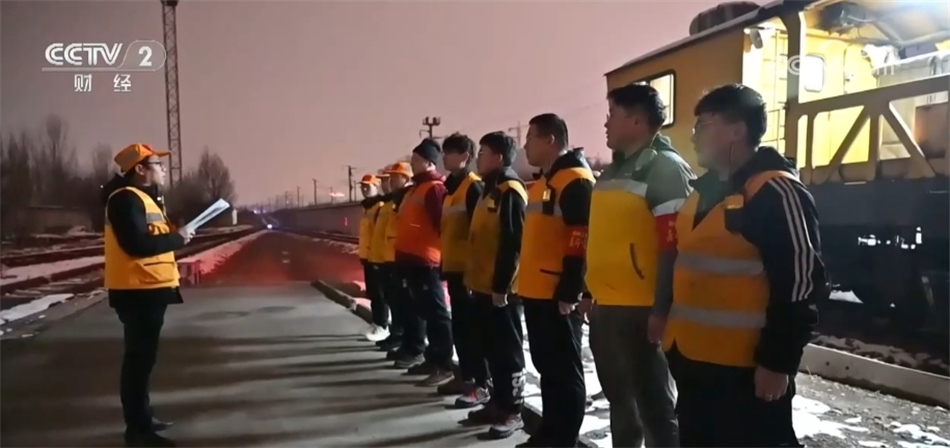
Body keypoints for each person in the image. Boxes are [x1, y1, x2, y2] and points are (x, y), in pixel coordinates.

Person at [663, 84, 824, 447]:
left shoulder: (776, 191)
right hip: (693, 361)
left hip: (744, 372)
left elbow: (800, 285)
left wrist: (778, 362)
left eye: (703, 125)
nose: (694, 135)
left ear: (737, 130)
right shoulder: (703, 192)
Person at [582, 83, 693, 447]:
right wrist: (588, 291)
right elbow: (599, 237)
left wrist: (662, 308)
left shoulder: (665, 168)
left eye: (612, 114)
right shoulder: (611, 172)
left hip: (643, 311)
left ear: (637, 120)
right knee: (621, 404)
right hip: (607, 309)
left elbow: (674, 247)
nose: (605, 123)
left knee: (655, 408)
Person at [102, 143, 194, 448]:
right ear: (139, 169)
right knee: (138, 362)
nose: (163, 169)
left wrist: (176, 235)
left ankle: (143, 418)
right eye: (157, 164)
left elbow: (149, 238)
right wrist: (177, 238)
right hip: (137, 290)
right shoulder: (125, 199)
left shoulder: (139, 197)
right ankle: (138, 431)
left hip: (147, 288)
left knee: (143, 360)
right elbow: (137, 245)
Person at [517, 114, 594, 448]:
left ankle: (563, 440)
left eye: (530, 138)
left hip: (557, 294)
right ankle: (549, 433)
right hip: (536, 290)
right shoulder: (546, 182)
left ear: (549, 140)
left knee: (564, 372)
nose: (525, 146)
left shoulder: (575, 180)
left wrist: (570, 289)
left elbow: (581, 236)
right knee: (548, 368)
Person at [464, 131, 529, 439]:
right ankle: (497, 403)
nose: (478, 158)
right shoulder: (488, 190)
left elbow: (513, 243)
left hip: (502, 291)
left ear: (499, 158)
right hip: (483, 286)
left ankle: (513, 411)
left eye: (483, 152)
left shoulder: (510, 191)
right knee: (491, 349)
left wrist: (501, 286)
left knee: (509, 353)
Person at [393, 140, 455, 387]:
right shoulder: (414, 189)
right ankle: (430, 358)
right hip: (412, 261)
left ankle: (444, 364)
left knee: (437, 314)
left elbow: (442, 225)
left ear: (429, 162)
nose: (412, 162)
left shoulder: (434, 189)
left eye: (416, 159)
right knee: (423, 312)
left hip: (426, 262)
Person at [437, 132, 488, 402]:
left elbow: (479, 232)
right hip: (455, 269)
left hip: (469, 272)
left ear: (465, 156)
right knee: (460, 327)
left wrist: (473, 269)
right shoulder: (451, 190)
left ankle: (480, 382)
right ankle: (465, 376)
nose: (444, 157)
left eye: (449, 152)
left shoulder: (473, 187)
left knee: (473, 330)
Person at [380, 162, 414, 358]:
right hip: (392, 256)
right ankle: (399, 336)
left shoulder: (408, 198)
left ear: (406, 178)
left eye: (395, 177)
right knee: (396, 300)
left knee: (406, 304)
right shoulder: (397, 199)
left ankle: (406, 340)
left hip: (403, 257)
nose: (390, 181)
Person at [357, 174, 390, 342]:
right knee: (373, 293)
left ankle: (382, 325)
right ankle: (376, 323)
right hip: (368, 257)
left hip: (377, 258)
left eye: (368, 186)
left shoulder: (379, 207)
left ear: (376, 187)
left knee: (380, 294)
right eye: (362, 186)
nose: (364, 189)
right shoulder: (367, 208)